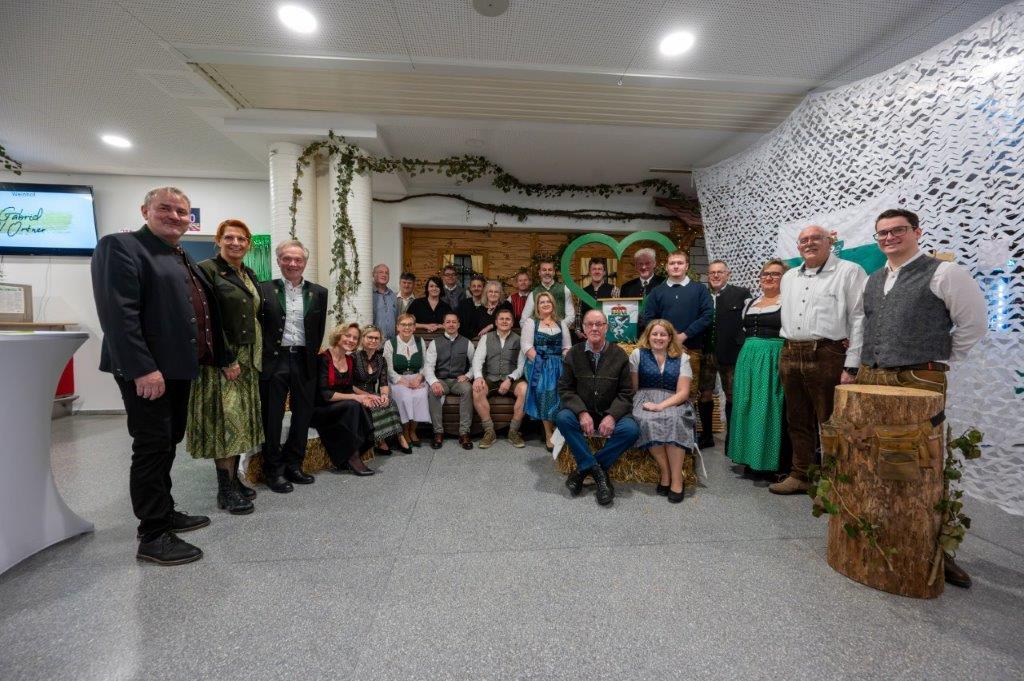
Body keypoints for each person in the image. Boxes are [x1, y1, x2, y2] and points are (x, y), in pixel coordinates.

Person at [857, 208, 987, 589]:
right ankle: (881, 535)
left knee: (921, 462)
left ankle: (934, 551)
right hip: (874, 375)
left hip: (918, 376)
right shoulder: (874, 279)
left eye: (897, 230)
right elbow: (866, 325)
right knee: (873, 457)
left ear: (917, 231)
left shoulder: (945, 273)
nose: (889, 238)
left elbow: (974, 324)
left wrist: (937, 358)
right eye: (882, 233)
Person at [91, 186, 219, 565]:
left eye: (182, 212)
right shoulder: (121, 247)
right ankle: (153, 535)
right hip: (149, 372)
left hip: (177, 369)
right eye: (166, 208)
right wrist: (143, 368)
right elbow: (119, 315)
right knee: (151, 447)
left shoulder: (179, 254)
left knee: (168, 442)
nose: (175, 216)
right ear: (145, 210)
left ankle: (164, 511)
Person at [769, 225, 867, 495]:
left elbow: (859, 318)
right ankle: (801, 474)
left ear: (829, 242)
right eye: (804, 240)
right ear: (798, 246)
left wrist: (852, 364)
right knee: (797, 419)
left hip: (827, 353)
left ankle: (835, 483)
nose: (809, 243)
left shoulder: (849, 271)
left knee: (831, 421)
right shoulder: (789, 276)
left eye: (816, 238)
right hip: (790, 352)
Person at [186, 219, 264, 516]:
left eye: (242, 239)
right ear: (218, 240)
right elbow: (206, 319)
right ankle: (225, 490)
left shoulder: (247, 273)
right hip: (224, 360)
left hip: (247, 358)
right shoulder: (206, 270)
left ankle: (233, 481)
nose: (236, 243)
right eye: (229, 238)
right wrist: (226, 358)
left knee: (240, 422)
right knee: (225, 423)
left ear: (248, 244)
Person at [258, 240, 328, 494]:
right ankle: (272, 470)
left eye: (298, 259)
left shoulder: (318, 292)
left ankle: (293, 464)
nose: (293, 264)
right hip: (274, 361)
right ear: (278, 261)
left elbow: (318, 329)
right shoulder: (264, 289)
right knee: (272, 417)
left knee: (302, 415)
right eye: (287, 258)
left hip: (304, 361)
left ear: (305, 263)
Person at [555, 309, 639, 506]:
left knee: (631, 430)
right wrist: (581, 412)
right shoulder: (573, 354)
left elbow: (626, 393)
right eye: (590, 324)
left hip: (610, 411)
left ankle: (583, 469)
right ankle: (599, 473)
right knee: (563, 418)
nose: (594, 328)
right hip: (583, 411)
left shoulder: (619, 355)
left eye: (599, 324)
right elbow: (565, 389)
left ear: (606, 328)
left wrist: (612, 416)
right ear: (583, 329)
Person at [728, 260, 791, 477]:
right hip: (748, 358)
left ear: (785, 278)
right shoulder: (750, 303)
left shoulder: (788, 301)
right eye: (765, 274)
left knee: (768, 406)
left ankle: (769, 461)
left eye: (775, 274)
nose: (769, 278)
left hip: (773, 356)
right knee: (745, 405)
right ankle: (749, 457)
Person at [641, 251, 714, 435]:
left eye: (679, 263)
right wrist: (669, 339)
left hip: (692, 349)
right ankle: (665, 433)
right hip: (662, 351)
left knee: (689, 394)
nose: (675, 266)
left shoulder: (699, 290)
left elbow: (707, 315)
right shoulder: (657, 292)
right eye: (672, 263)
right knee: (665, 391)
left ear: (686, 266)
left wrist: (684, 335)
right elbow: (648, 317)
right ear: (666, 267)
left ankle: (688, 436)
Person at [630, 319, 697, 504]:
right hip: (645, 397)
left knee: (675, 419)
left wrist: (661, 406)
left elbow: (683, 392)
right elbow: (634, 387)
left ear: (670, 338)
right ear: (648, 336)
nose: (658, 338)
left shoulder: (682, 357)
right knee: (647, 419)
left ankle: (677, 479)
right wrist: (638, 404)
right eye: (655, 334)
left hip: (673, 399)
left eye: (663, 334)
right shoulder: (637, 354)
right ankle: (665, 472)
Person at [699, 260, 751, 449]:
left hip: (731, 353)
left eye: (720, 272)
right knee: (704, 393)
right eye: (712, 272)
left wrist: (741, 343)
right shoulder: (702, 295)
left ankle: (732, 438)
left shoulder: (741, 293)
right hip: (706, 352)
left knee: (731, 395)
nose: (715, 275)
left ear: (728, 274)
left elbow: (749, 321)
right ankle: (706, 436)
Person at [313, 324, 375, 476]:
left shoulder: (349, 360)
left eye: (355, 338)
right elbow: (325, 395)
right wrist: (355, 397)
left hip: (341, 406)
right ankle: (353, 457)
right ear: (338, 335)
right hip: (321, 408)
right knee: (353, 405)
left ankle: (354, 452)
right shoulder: (323, 359)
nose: (351, 340)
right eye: (347, 335)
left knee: (360, 405)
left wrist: (367, 396)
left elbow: (348, 387)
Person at [522, 291, 572, 451]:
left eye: (548, 301)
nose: (545, 304)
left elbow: (567, 347)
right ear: (537, 306)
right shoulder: (532, 322)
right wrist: (542, 365)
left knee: (562, 394)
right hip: (539, 364)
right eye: (541, 302)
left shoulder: (561, 323)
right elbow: (527, 347)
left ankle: (559, 429)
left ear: (553, 305)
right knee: (545, 392)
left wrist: (565, 361)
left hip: (558, 363)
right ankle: (548, 433)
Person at [471, 308, 528, 448]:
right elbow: (477, 360)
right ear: (496, 322)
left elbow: (521, 366)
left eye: (508, 319)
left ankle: (513, 431)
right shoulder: (486, 338)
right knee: (477, 390)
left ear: (512, 323)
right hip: (490, 377)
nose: (504, 321)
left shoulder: (519, 340)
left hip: (511, 379)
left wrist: (510, 379)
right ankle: (489, 431)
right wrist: (478, 377)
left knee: (525, 390)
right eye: (501, 319)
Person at [352, 324, 411, 456]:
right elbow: (349, 385)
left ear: (380, 341)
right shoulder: (353, 357)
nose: (373, 341)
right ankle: (380, 441)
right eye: (370, 337)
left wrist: (384, 395)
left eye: (376, 338)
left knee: (389, 402)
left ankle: (400, 436)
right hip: (356, 394)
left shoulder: (381, 359)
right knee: (374, 404)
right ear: (362, 338)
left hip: (373, 393)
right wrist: (368, 396)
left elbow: (383, 382)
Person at [425, 312, 476, 450]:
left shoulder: (467, 343)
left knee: (468, 389)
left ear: (458, 324)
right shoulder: (435, 343)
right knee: (433, 391)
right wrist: (434, 382)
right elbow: (428, 366)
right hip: (441, 379)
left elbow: (475, 365)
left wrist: (468, 375)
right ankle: (438, 432)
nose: (451, 324)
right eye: (448, 322)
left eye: (454, 322)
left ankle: (464, 433)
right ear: (443, 325)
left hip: (458, 381)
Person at [383, 313, 432, 447]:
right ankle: (404, 431)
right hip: (397, 379)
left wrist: (419, 378)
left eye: (410, 325)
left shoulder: (420, 341)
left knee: (420, 395)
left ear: (414, 327)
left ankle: (413, 431)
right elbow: (389, 369)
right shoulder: (390, 344)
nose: (407, 327)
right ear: (397, 327)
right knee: (405, 396)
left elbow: (426, 364)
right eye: (403, 324)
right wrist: (405, 382)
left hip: (417, 378)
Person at [521, 258, 576, 328]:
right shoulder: (533, 293)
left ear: (554, 272)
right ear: (539, 272)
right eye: (544, 270)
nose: (547, 272)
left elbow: (571, 316)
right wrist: (536, 331)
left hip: (560, 332)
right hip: (539, 333)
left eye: (550, 270)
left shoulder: (565, 290)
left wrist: (557, 328)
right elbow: (523, 320)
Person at [577, 257, 620, 337]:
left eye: (600, 269)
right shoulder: (583, 292)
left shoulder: (614, 290)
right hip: (587, 335)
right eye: (594, 269)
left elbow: (617, 314)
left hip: (608, 334)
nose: (597, 272)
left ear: (604, 272)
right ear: (589, 272)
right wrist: (578, 330)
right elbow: (579, 314)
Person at [371, 263, 398, 340]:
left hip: (391, 341)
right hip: (374, 341)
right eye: (381, 272)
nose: (384, 275)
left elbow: (397, 319)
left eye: (387, 273)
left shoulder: (392, 295)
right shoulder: (368, 295)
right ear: (373, 274)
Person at [456, 273, 488, 338]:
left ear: (484, 288)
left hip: (484, 339)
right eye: (473, 286)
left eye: (479, 286)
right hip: (465, 339)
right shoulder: (463, 304)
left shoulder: (489, 304)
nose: (476, 288)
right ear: (470, 288)